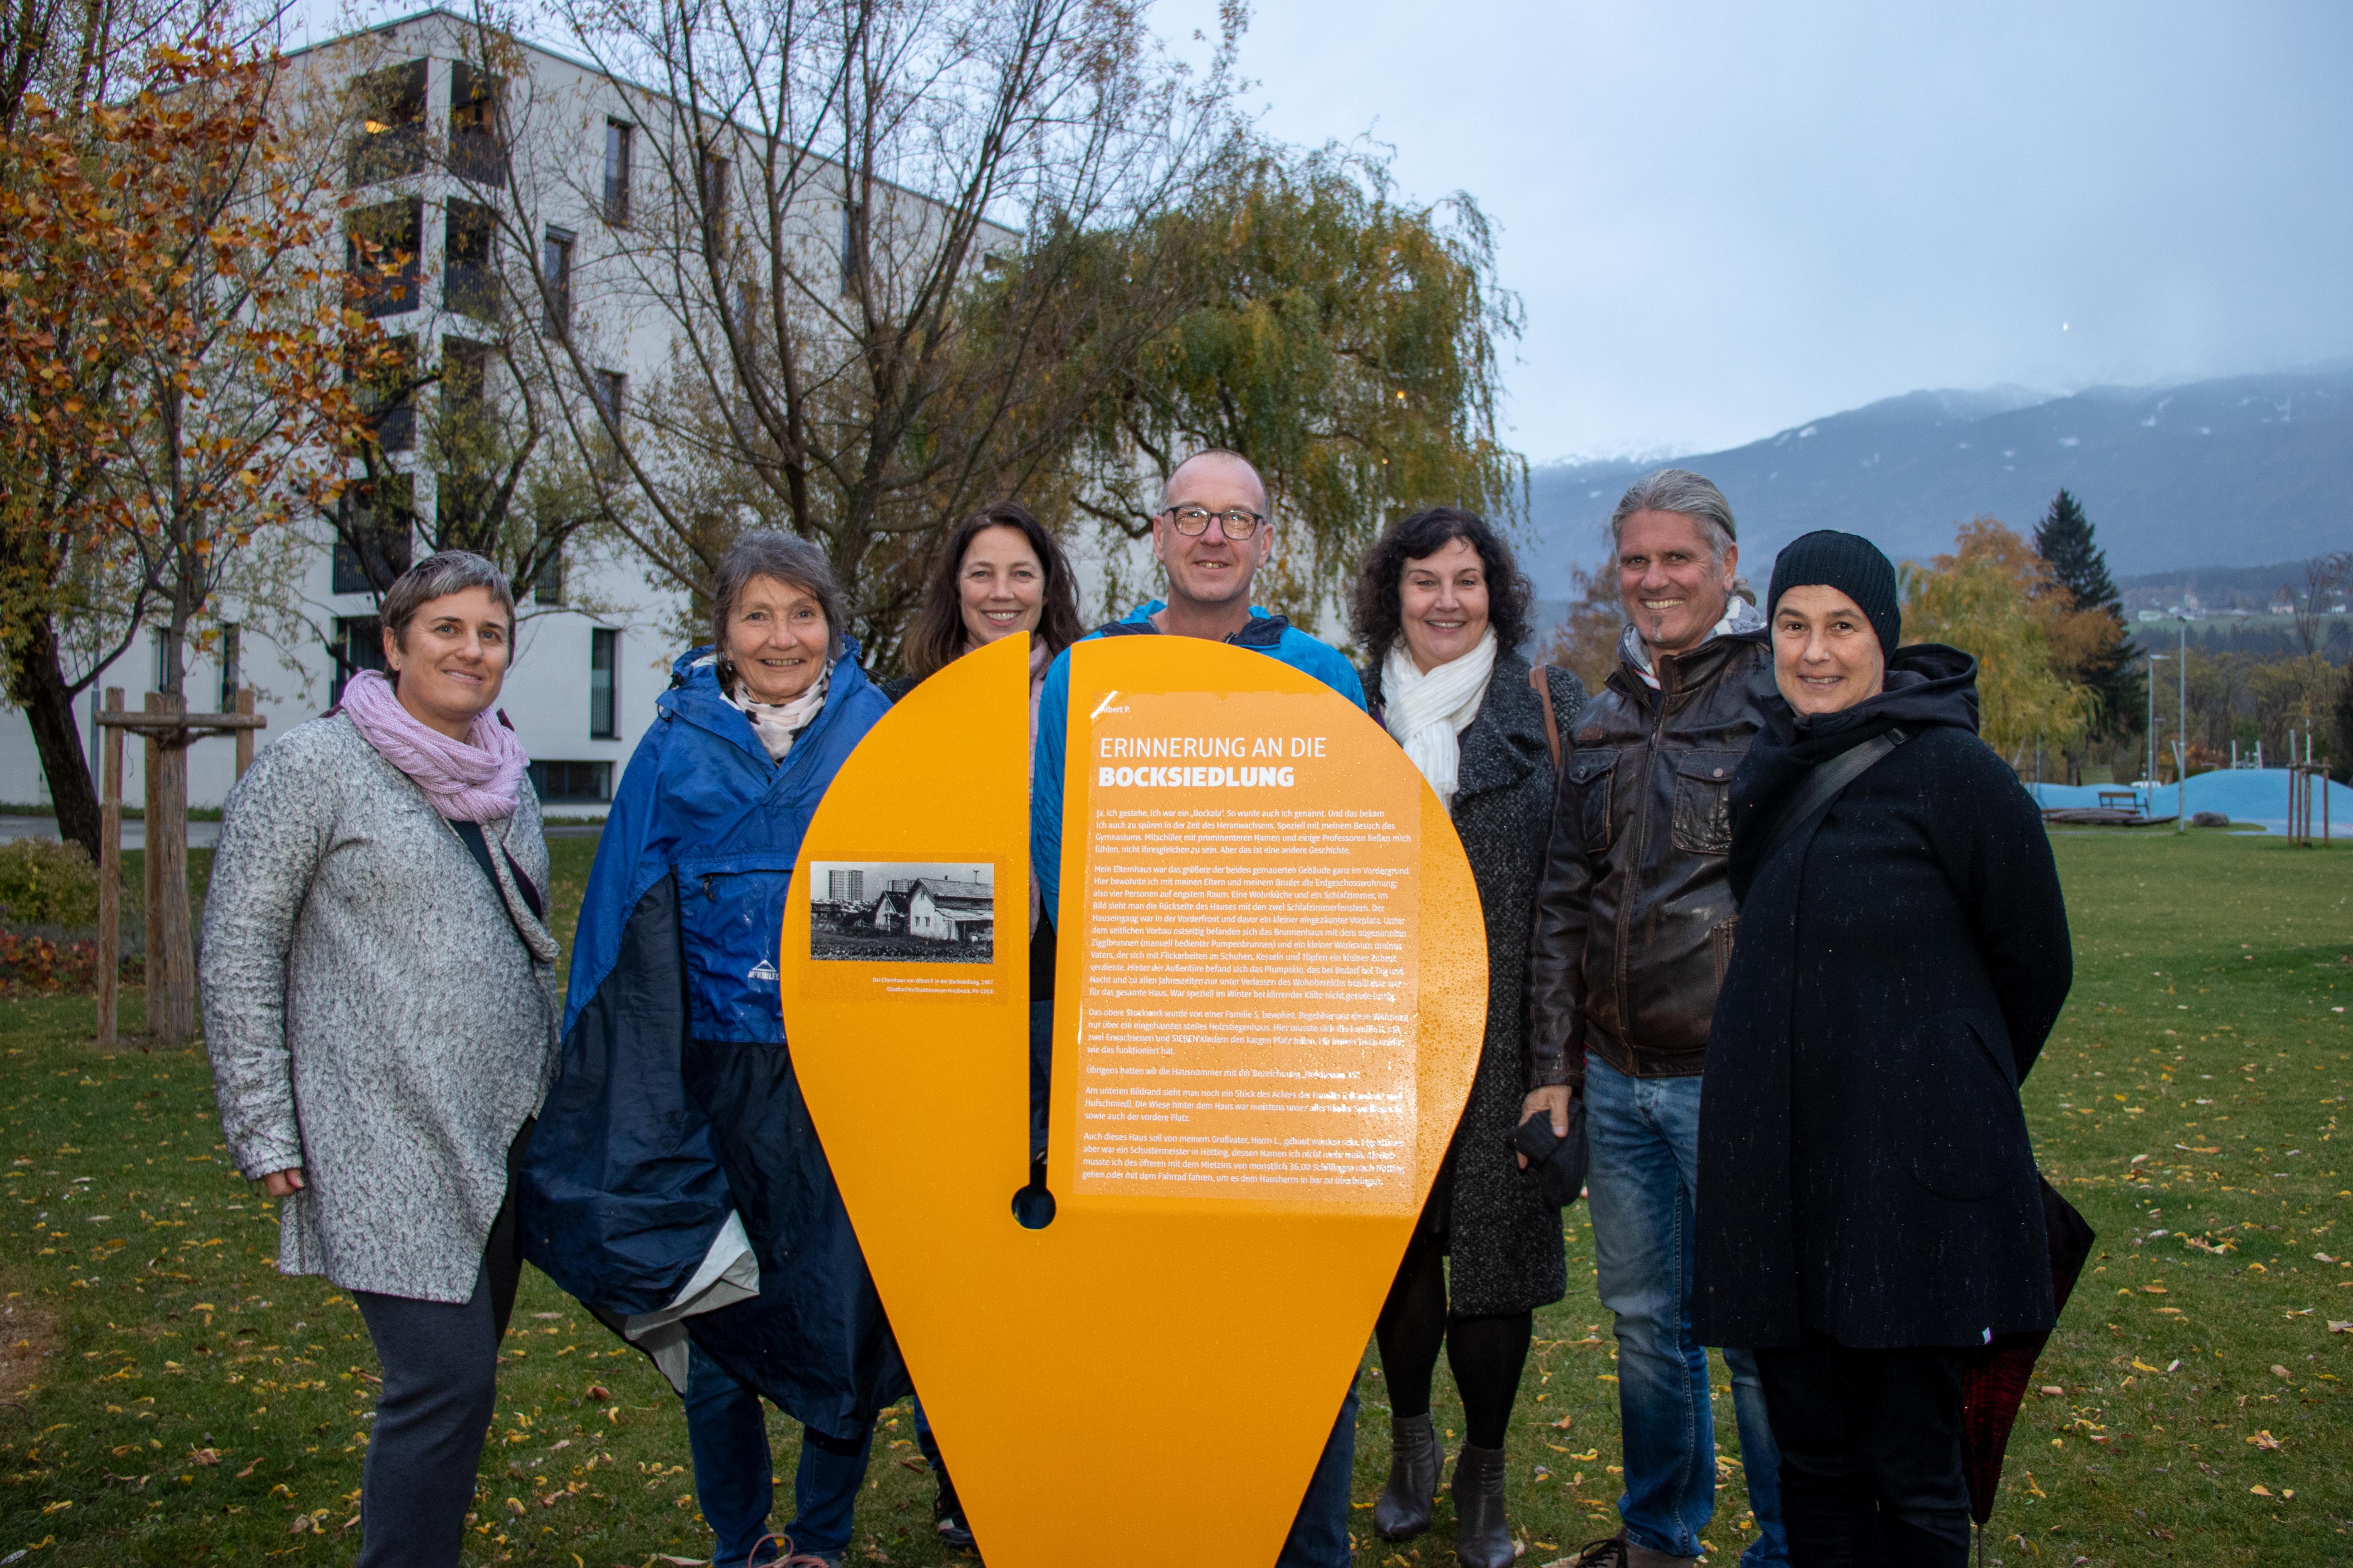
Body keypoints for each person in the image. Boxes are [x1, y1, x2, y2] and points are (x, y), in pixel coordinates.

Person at [519, 533, 906, 1568]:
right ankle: (742, 1538)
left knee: (843, 1311)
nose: (782, 636)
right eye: (756, 615)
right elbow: (617, 918)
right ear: (723, 632)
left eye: (801, 613)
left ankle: (821, 1536)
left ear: (833, 622)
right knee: (714, 1308)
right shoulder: (673, 742)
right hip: (707, 1070)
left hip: (841, 1076)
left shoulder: (882, 730)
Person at [1693, 532, 2072, 1567]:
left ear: (1882, 636)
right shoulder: (1770, 765)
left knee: (1913, 1472)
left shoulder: (1953, 772)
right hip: (1781, 1187)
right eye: (1792, 625)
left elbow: (2034, 964)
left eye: (1841, 626)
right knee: (1810, 1464)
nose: (1814, 652)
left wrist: (1941, 1089)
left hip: (1912, 1196)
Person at [1030, 447, 1365, 1568]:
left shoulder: (1325, 677)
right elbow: (1054, 845)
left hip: (1283, 1068)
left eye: (1238, 518)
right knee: (1138, 1312)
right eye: (1192, 515)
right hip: (1139, 1056)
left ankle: (1302, 1541)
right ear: (1158, 534)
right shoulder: (1087, 674)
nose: (1214, 535)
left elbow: (1353, 860)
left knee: (1293, 1327)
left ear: (1268, 542)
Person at [202, 552, 558, 1568]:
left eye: (489, 633)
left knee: (460, 1382)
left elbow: (524, 944)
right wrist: (262, 1120)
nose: (470, 650)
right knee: (444, 1380)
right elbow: (238, 944)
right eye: (446, 629)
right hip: (378, 1128)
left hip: (497, 1131)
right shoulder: (316, 766)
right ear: (394, 642)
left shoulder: (503, 773)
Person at [1527, 470, 1789, 1568]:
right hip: (1620, 1081)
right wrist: (1555, 1065)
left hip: (1731, 1081)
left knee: (1756, 1339)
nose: (1652, 579)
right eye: (1634, 561)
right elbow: (1560, 903)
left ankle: (1791, 1544)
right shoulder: (1600, 711)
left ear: (1727, 565)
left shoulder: (1777, 700)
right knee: (1643, 1325)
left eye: (1675, 558)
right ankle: (1657, 1538)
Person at [1350, 508, 1585, 1568]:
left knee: (1493, 1264)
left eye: (1467, 580)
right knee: (1395, 1257)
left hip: (1506, 1041)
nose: (1446, 600)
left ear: (1497, 592)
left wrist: (1555, 1066)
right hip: (1376, 1036)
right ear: (1389, 595)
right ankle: (1409, 1446)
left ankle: (1483, 1474)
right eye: (1423, 581)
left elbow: (1575, 899)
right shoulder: (1349, 709)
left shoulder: (1549, 703)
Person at [878, 500, 1086, 1549]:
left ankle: (1053, 1441)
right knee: (952, 1234)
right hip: (948, 1001)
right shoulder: (913, 702)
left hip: (1065, 997)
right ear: (951, 589)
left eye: (1019, 572)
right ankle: (962, 1461)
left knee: (1060, 1225)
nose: (1000, 592)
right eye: (979, 574)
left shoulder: (1096, 694)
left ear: (1048, 583)